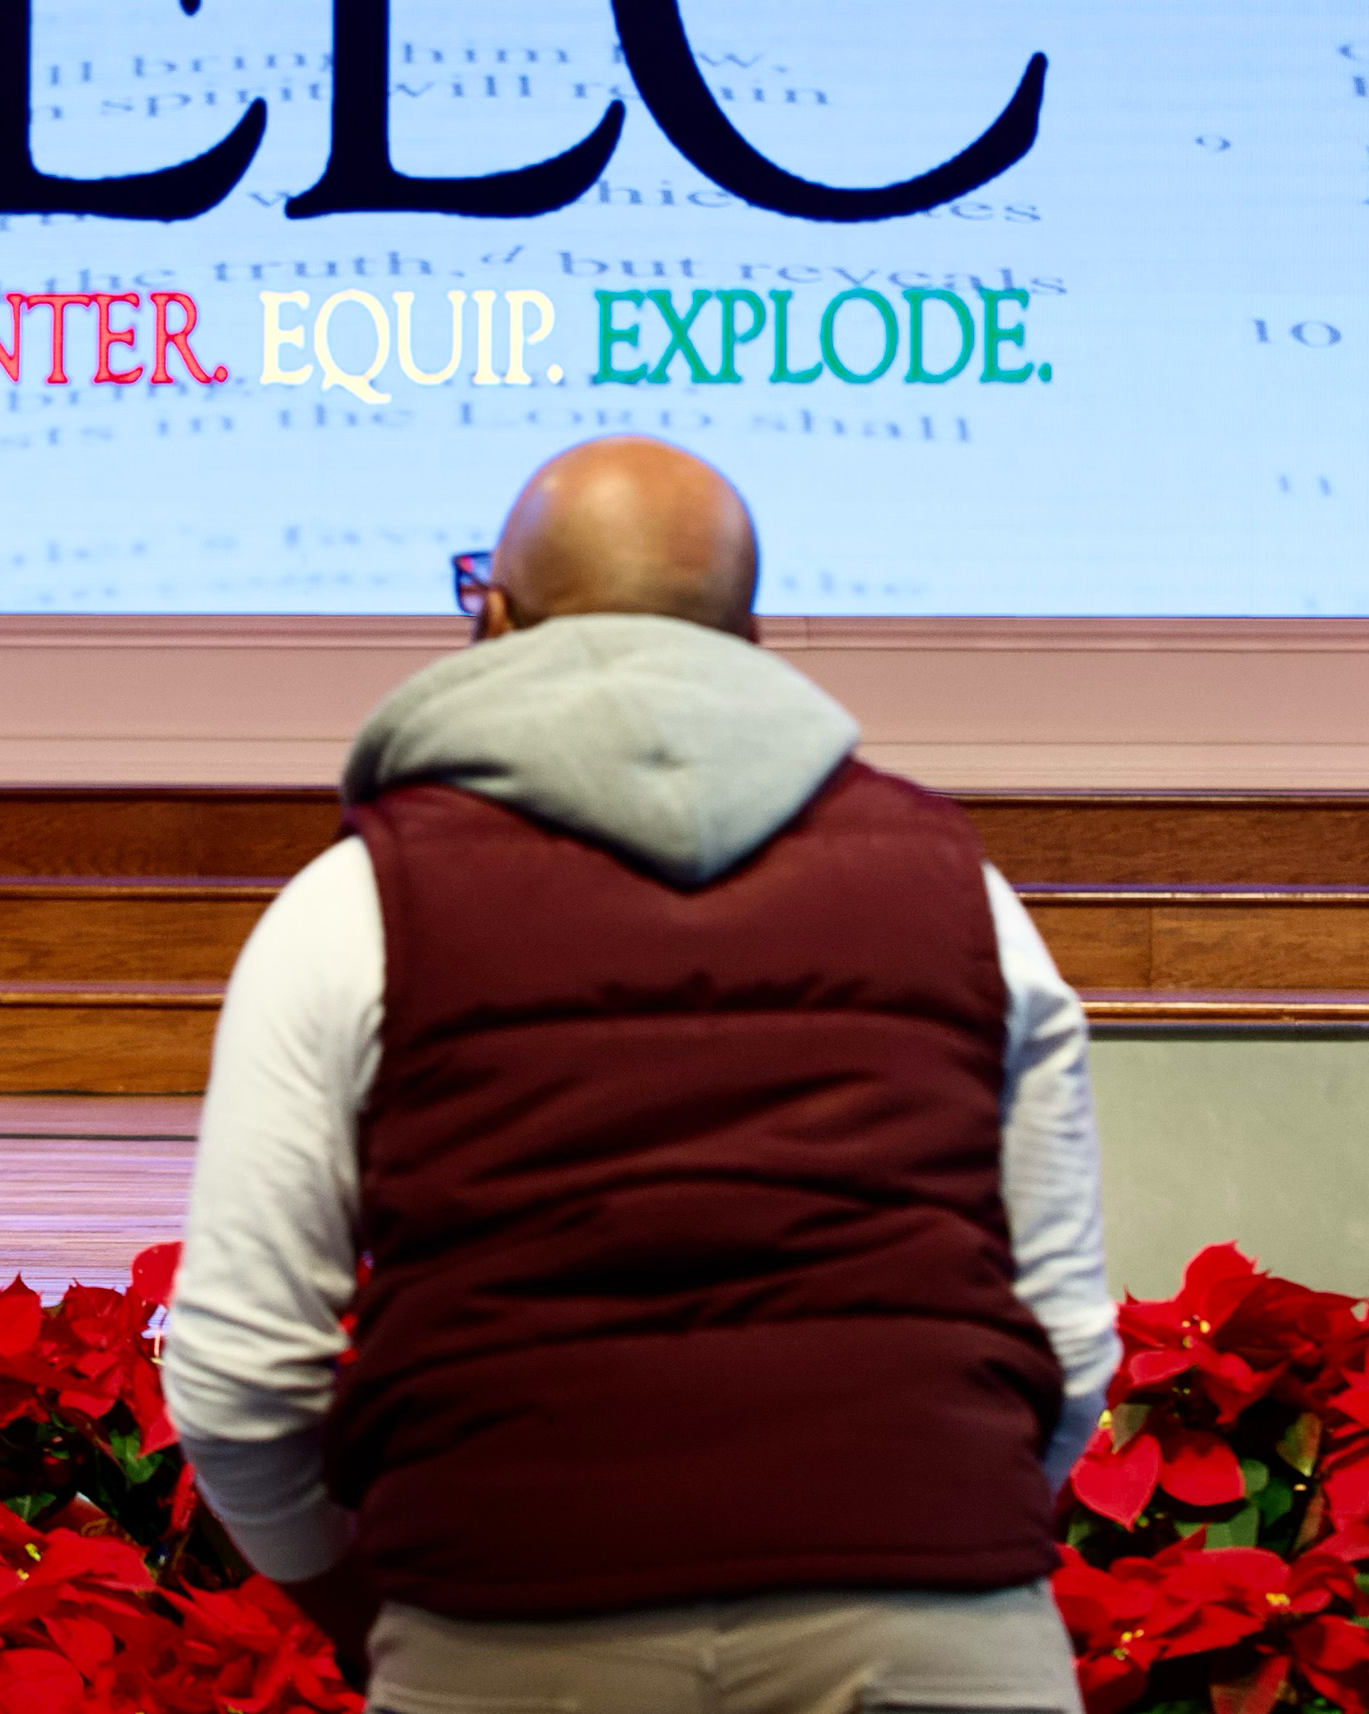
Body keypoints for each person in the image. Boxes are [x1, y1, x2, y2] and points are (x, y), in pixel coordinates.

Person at [165, 435, 1118, 1713]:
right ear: (752, 634)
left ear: (491, 617)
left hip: (509, 1621)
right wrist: (937, 1545)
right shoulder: (969, 896)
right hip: (937, 1627)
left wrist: (362, 1602)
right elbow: (1066, 1343)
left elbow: (238, 1379)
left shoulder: (351, 909)